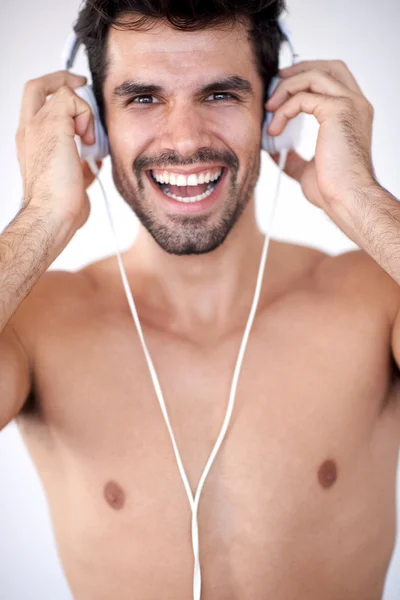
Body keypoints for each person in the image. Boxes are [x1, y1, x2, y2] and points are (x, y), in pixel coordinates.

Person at [2, 0, 400, 598]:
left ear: (276, 113)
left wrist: (362, 202)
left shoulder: (375, 299)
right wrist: (42, 217)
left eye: (219, 95)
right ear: (96, 128)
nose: (184, 141)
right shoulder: (34, 324)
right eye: (143, 98)